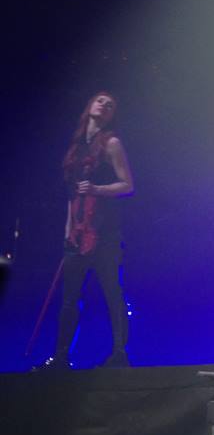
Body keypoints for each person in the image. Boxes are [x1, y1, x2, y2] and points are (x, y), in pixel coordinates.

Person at [43, 92, 134, 368]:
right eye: (100, 101)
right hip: (78, 233)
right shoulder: (76, 148)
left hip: (104, 231)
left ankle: (119, 353)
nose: (104, 105)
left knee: (111, 292)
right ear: (90, 106)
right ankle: (61, 356)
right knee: (69, 297)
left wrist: (97, 189)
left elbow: (127, 185)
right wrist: (68, 229)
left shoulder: (112, 143)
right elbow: (72, 195)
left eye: (110, 104)